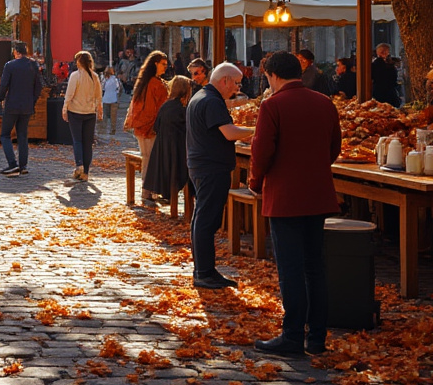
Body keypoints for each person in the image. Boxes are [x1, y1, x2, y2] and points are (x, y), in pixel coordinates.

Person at [245, 51, 342, 355]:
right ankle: (316, 337)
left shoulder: (272, 105)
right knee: (315, 267)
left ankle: (291, 334)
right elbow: (334, 147)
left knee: (290, 268)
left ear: (273, 75)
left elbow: (261, 152)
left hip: (285, 196)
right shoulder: (324, 103)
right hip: (317, 193)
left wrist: (255, 183)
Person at [186, 62, 254, 289]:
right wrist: (258, 130)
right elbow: (229, 133)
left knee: (202, 218)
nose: (237, 88)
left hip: (202, 165)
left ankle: (204, 270)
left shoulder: (201, 96)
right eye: (236, 83)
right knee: (207, 220)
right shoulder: (212, 101)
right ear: (224, 80)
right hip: (211, 167)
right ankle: (204, 272)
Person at [124, 51, 170, 194]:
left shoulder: (146, 81)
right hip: (149, 127)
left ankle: (149, 190)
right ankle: (147, 190)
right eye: (163, 64)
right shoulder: (153, 83)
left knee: (149, 159)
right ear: (155, 64)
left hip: (146, 126)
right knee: (149, 159)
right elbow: (153, 108)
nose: (165, 67)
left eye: (166, 65)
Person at [143, 76, 192, 209]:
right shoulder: (182, 109)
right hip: (176, 151)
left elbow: (156, 127)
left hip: (162, 149)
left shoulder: (165, 106)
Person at [0, 42, 43, 177]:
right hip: (27, 105)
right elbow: (38, 86)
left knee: (5, 134)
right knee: (22, 135)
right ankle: (23, 165)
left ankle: (13, 164)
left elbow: (4, 84)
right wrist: (33, 100)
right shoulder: (33, 65)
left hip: (12, 104)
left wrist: (1, 98)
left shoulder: (10, 65)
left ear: (16, 52)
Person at [61, 51, 102, 182]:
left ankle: (79, 164)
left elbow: (69, 94)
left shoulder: (75, 76)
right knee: (88, 143)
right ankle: (86, 172)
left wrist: (65, 108)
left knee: (77, 140)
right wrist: (99, 110)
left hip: (75, 111)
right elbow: (98, 96)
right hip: (90, 112)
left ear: (79, 61)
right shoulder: (94, 76)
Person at [100, 65, 122, 137]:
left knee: (105, 116)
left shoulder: (104, 79)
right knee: (113, 116)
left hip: (106, 99)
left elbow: (102, 88)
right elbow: (119, 89)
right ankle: (112, 129)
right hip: (113, 99)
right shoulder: (115, 79)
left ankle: (104, 129)